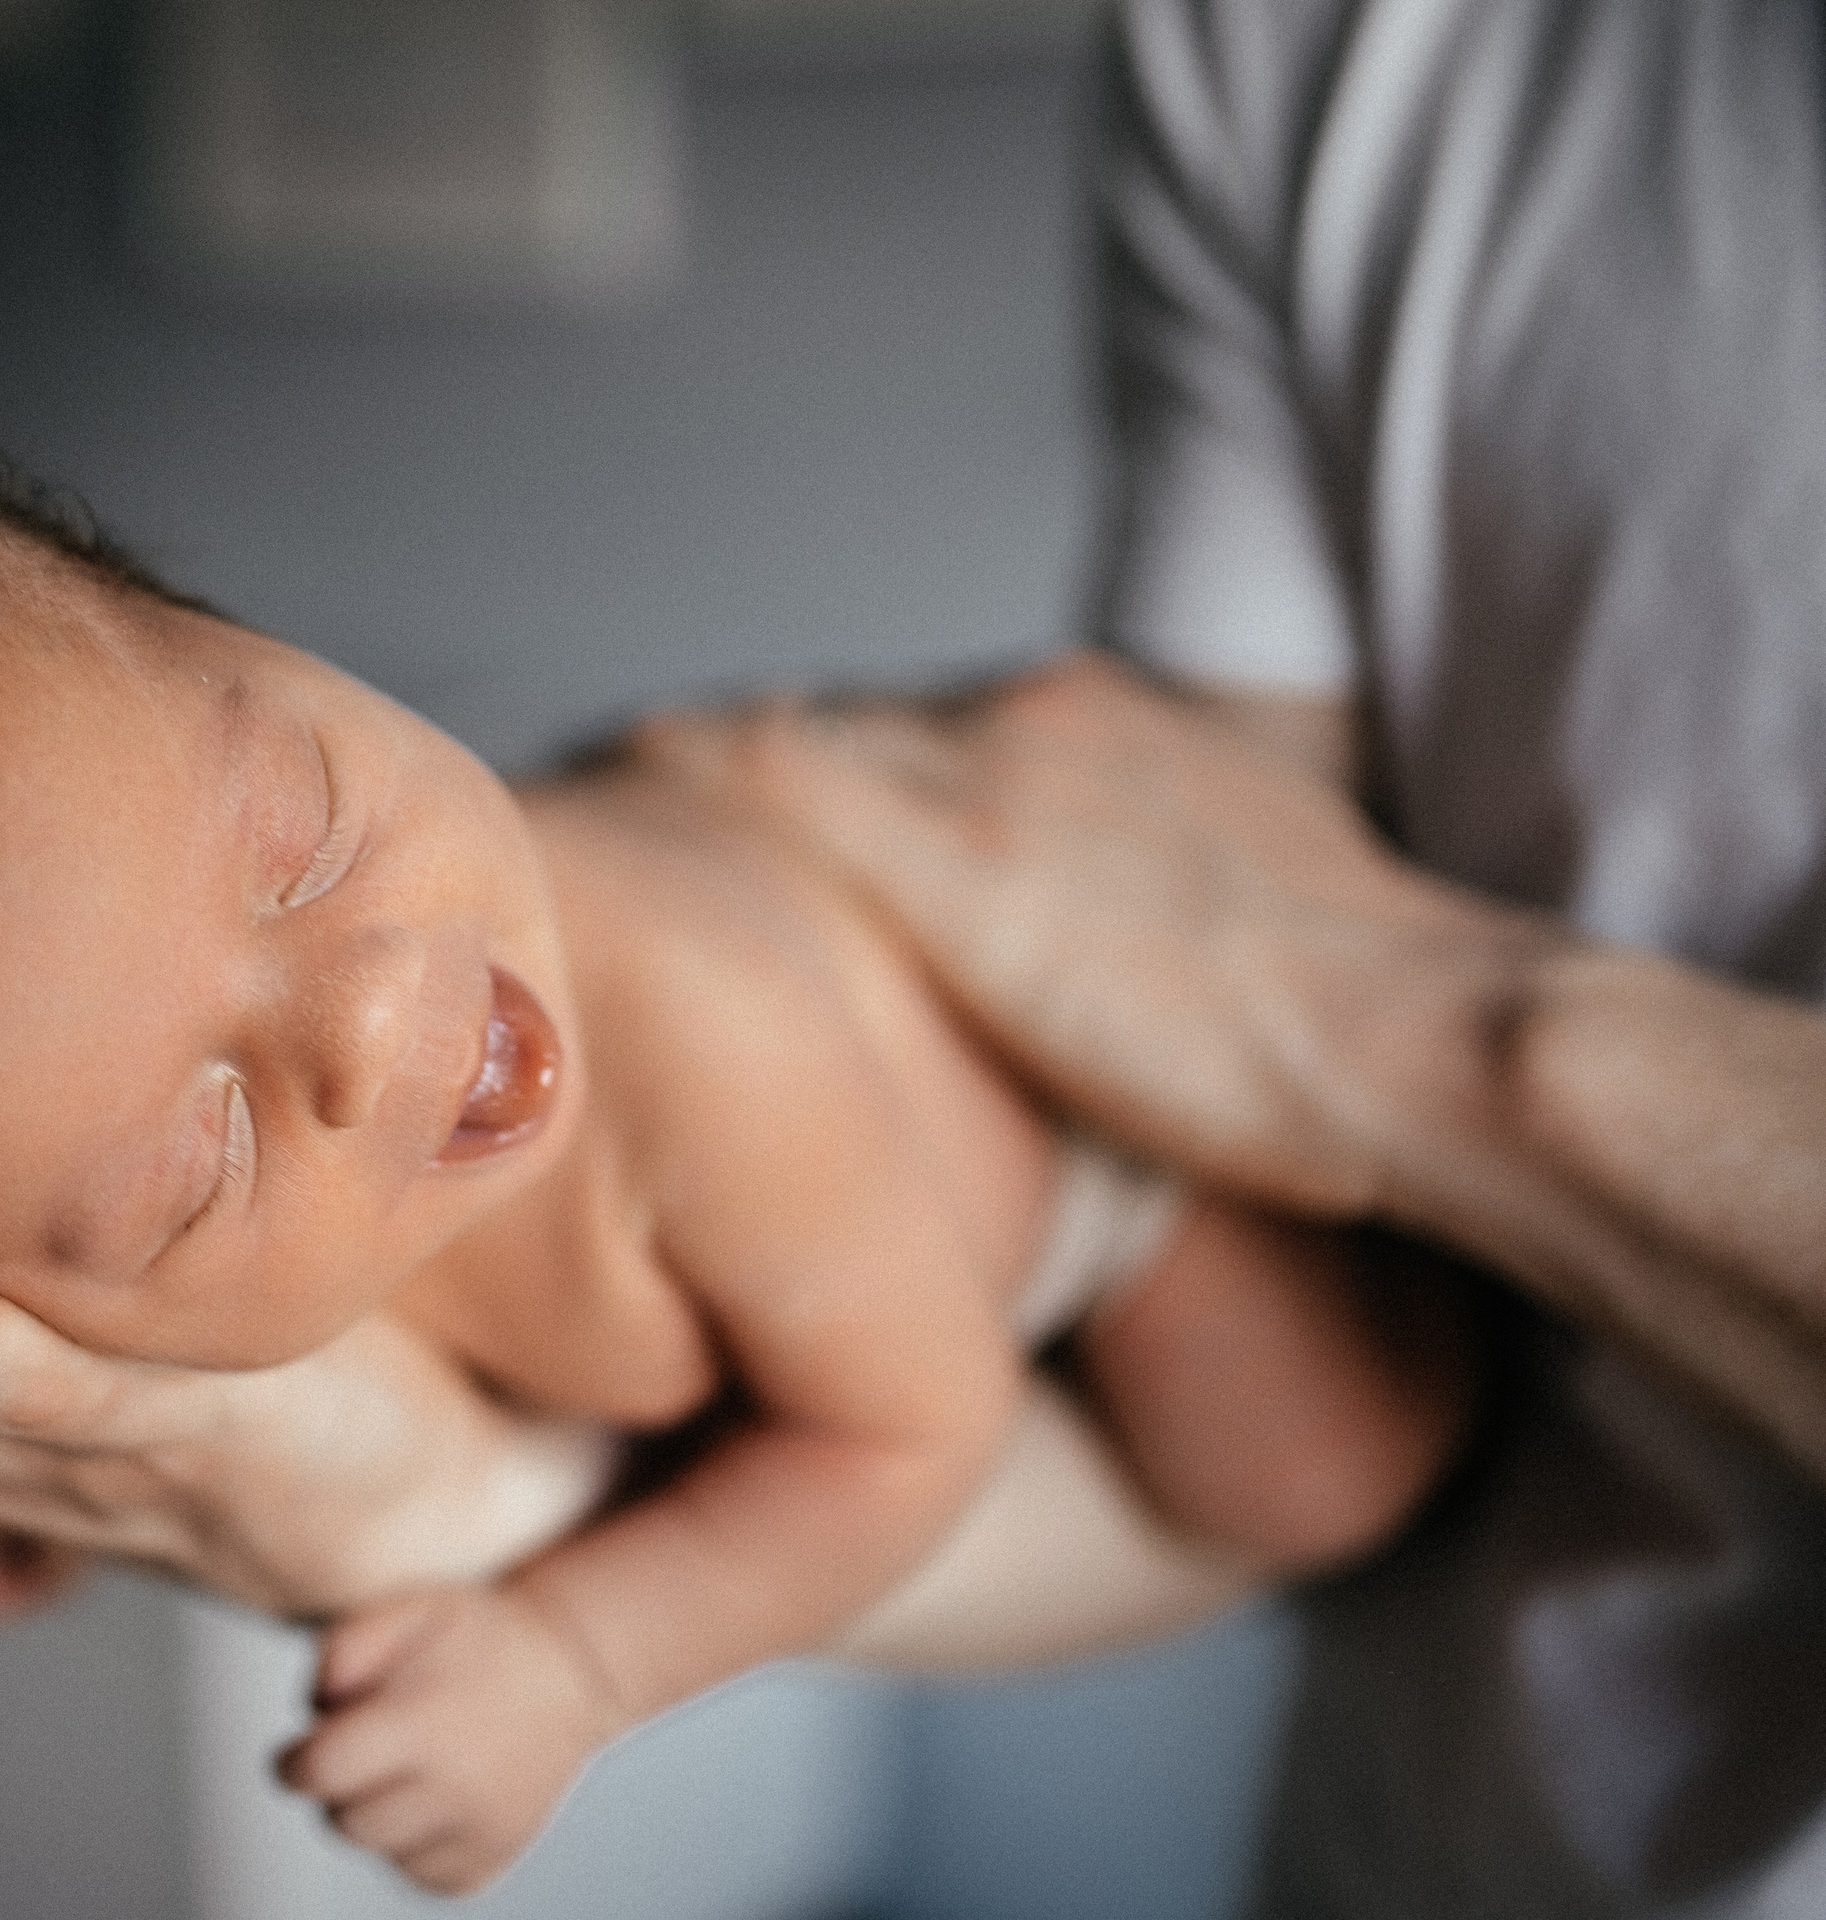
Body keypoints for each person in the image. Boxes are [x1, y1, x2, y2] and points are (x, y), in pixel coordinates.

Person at [0, 449, 1469, 1893]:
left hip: (1109, 1163)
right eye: (192, 1169)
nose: (371, 1016)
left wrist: (574, 1658)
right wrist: (42, 1497)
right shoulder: (238, 1235)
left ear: (227, 623)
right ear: (10, 1331)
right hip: (733, 1283)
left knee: (1320, 1472)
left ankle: (1497, 1309)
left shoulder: (707, 1052)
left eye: (305, 826)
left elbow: (912, 1433)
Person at [653, 2, 1826, 1911]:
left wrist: (1464, 1053)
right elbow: (1313, 1405)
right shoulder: (1289, 38)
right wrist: (413, 1492)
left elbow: (1264, 994)